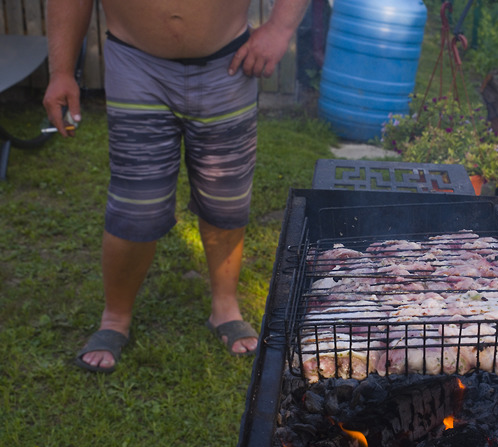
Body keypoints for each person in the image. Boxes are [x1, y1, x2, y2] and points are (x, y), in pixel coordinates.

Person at [43, 0, 311, 373]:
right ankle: (115, 318)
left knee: (226, 195)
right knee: (136, 204)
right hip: (136, 65)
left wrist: (281, 27)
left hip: (228, 64)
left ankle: (225, 308)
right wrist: (60, 72)